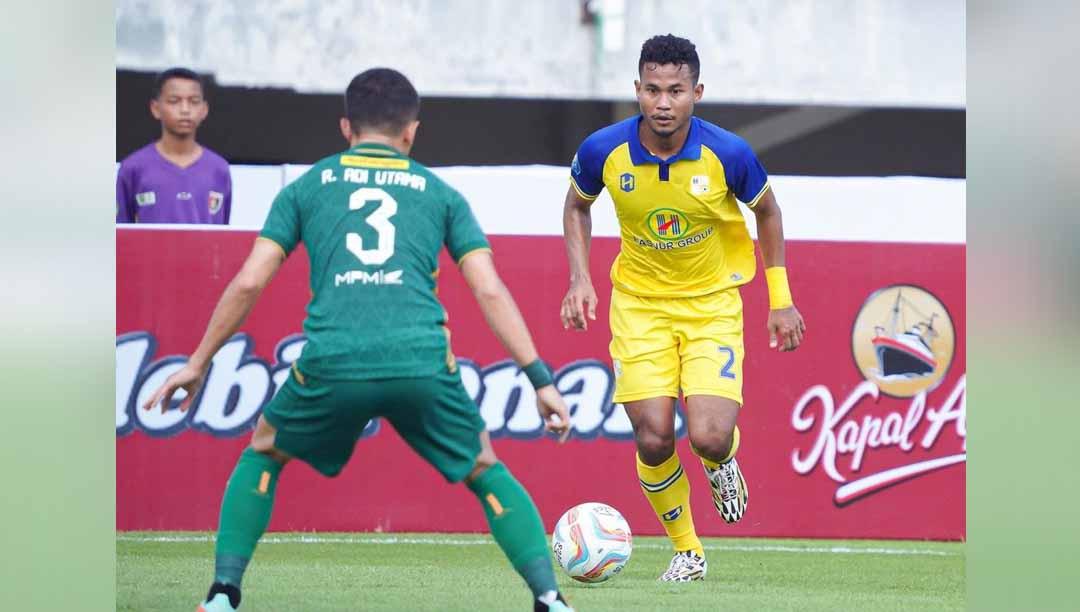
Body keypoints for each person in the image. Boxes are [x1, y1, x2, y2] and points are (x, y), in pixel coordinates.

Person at [143, 68, 575, 612]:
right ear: (411, 131)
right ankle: (549, 598)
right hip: (420, 361)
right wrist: (539, 378)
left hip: (333, 360)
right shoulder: (441, 193)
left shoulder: (306, 187)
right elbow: (488, 289)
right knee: (484, 466)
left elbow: (251, 279)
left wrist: (199, 361)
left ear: (346, 126)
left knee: (264, 452)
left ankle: (224, 593)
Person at [559, 34, 806, 582]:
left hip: (711, 305)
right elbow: (577, 206)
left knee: (709, 436)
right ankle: (688, 550)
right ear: (637, 91)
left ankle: (722, 464)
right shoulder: (605, 149)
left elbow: (768, 213)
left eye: (675, 90)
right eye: (652, 90)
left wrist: (780, 300)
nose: (663, 103)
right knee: (652, 434)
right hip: (640, 307)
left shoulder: (729, 153)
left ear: (697, 91)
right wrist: (580, 278)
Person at [116, 67, 232, 224]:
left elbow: (222, 234)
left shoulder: (219, 169)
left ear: (204, 110)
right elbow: (121, 235)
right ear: (156, 108)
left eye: (194, 101)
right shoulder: (133, 168)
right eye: (174, 101)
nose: (185, 110)